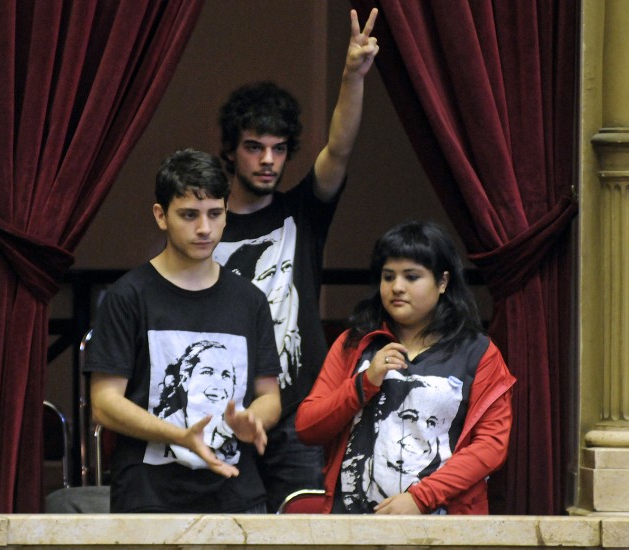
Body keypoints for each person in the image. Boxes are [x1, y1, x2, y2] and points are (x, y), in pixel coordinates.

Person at [212, 7, 380, 512]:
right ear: (230, 151)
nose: (268, 160)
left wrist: (353, 75)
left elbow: (340, 149)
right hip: (224, 409)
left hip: (300, 411)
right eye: (254, 147)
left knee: (307, 527)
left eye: (279, 149)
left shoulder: (301, 213)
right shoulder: (205, 226)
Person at [85, 149, 281, 513]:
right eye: (189, 215)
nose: (204, 228)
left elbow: (269, 395)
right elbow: (104, 405)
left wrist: (254, 420)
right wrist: (179, 436)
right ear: (161, 216)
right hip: (149, 499)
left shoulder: (249, 300)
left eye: (214, 214)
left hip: (236, 496)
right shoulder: (129, 296)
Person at [295, 221, 516, 514]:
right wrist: (363, 384)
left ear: (442, 282)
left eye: (411, 277)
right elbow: (307, 426)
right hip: (352, 524)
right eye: (388, 277)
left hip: (445, 525)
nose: (397, 287)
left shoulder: (478, 352)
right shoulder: (355, 343)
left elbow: (491, 446)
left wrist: (421, 497)